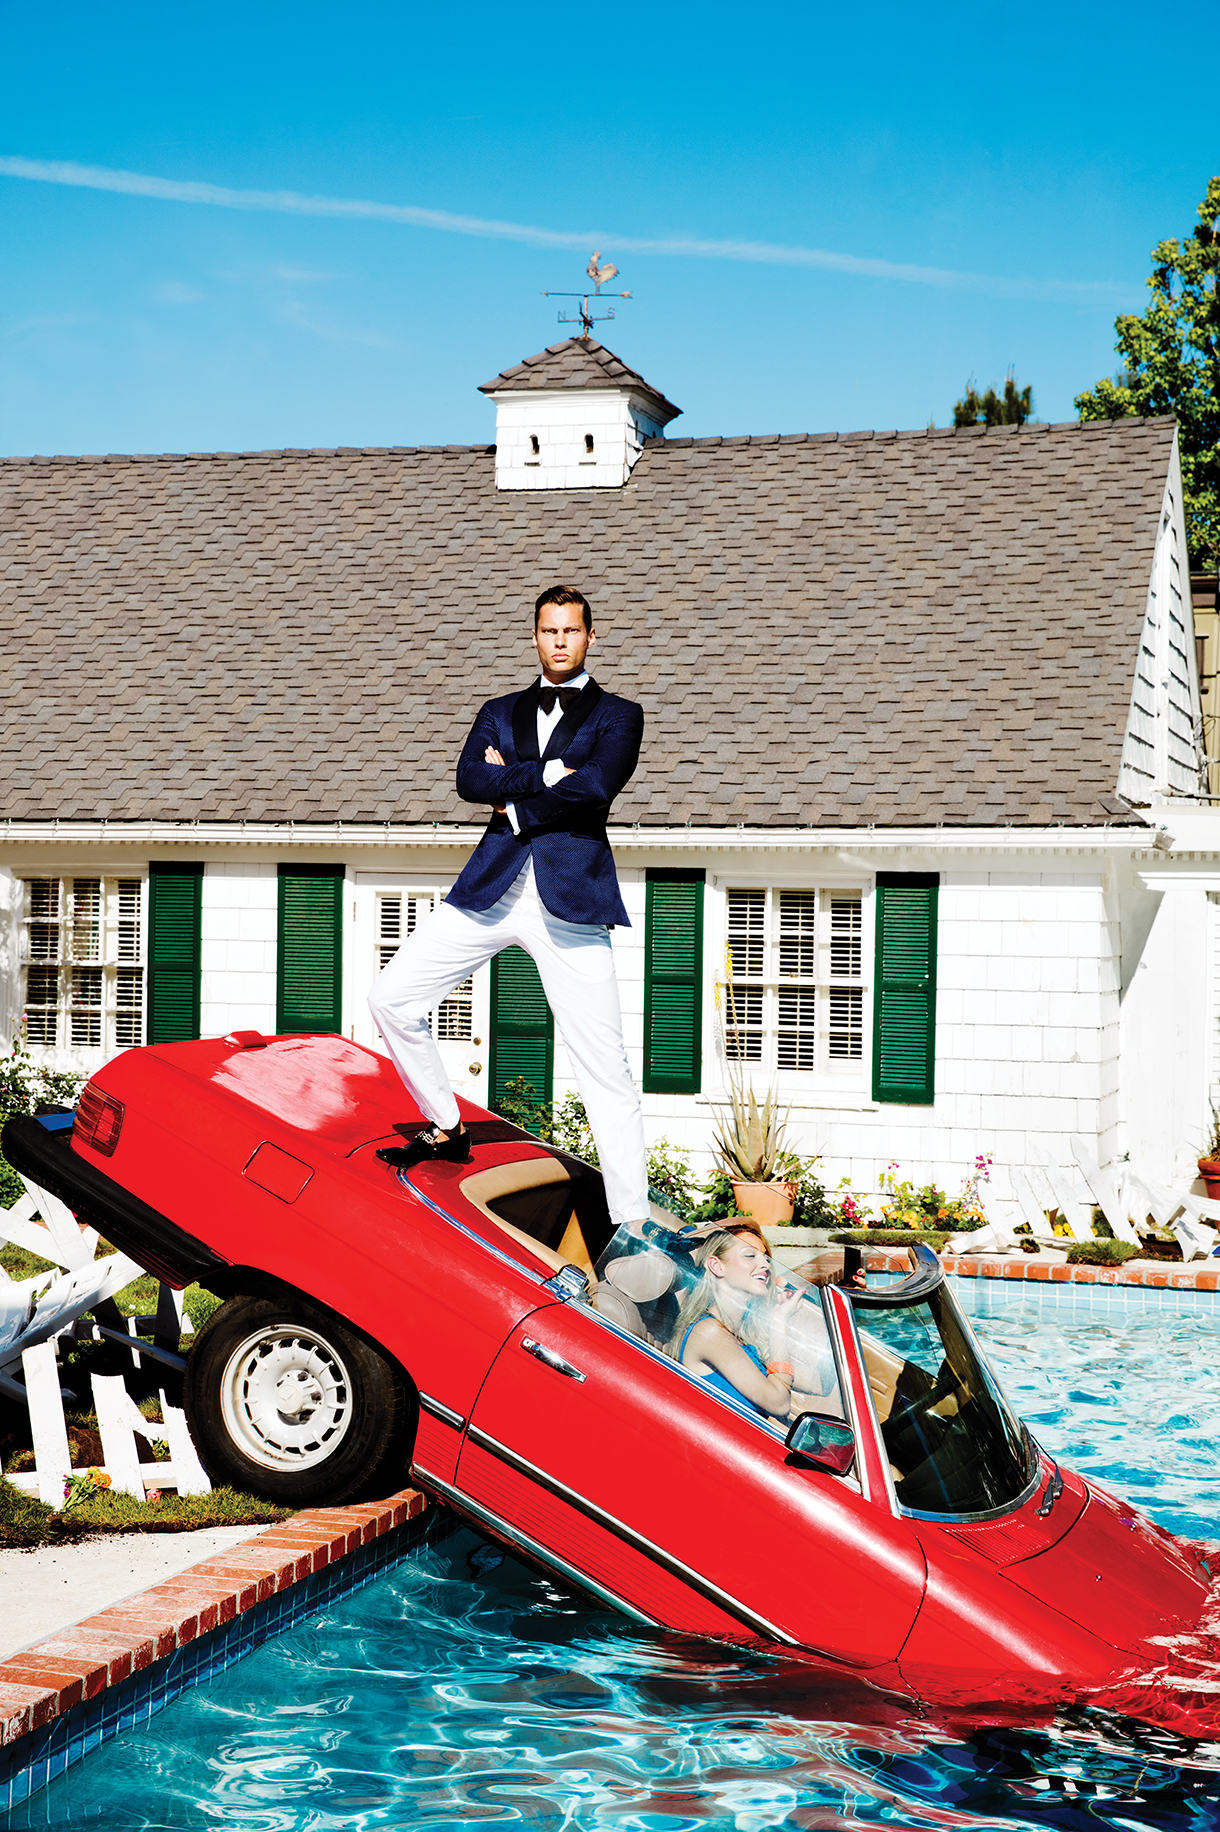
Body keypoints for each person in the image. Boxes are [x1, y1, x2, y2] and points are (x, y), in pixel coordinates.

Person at [368, 584, 650, 1233]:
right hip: (491, 890)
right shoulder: (497, 709)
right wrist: (551, 776)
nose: (559, 640)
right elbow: (470, 779)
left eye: (571, 631)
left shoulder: (620, 715)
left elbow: (599, 786)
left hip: (570, 902)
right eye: (548, 630)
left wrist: (518, 792)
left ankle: (635, 1227)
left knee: (604, 1068)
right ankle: (445, 1126)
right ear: (534, 637)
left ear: (589, 638)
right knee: (392, 998)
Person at [671, 1223, 803, 1420]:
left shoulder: (742, 1332)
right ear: (717, 1266)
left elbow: (818, 1382)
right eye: (750, 1256)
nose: (766, 1265)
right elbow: (779, 1403)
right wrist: (778, 1322)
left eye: (766, 1257)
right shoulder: (709, 1332)